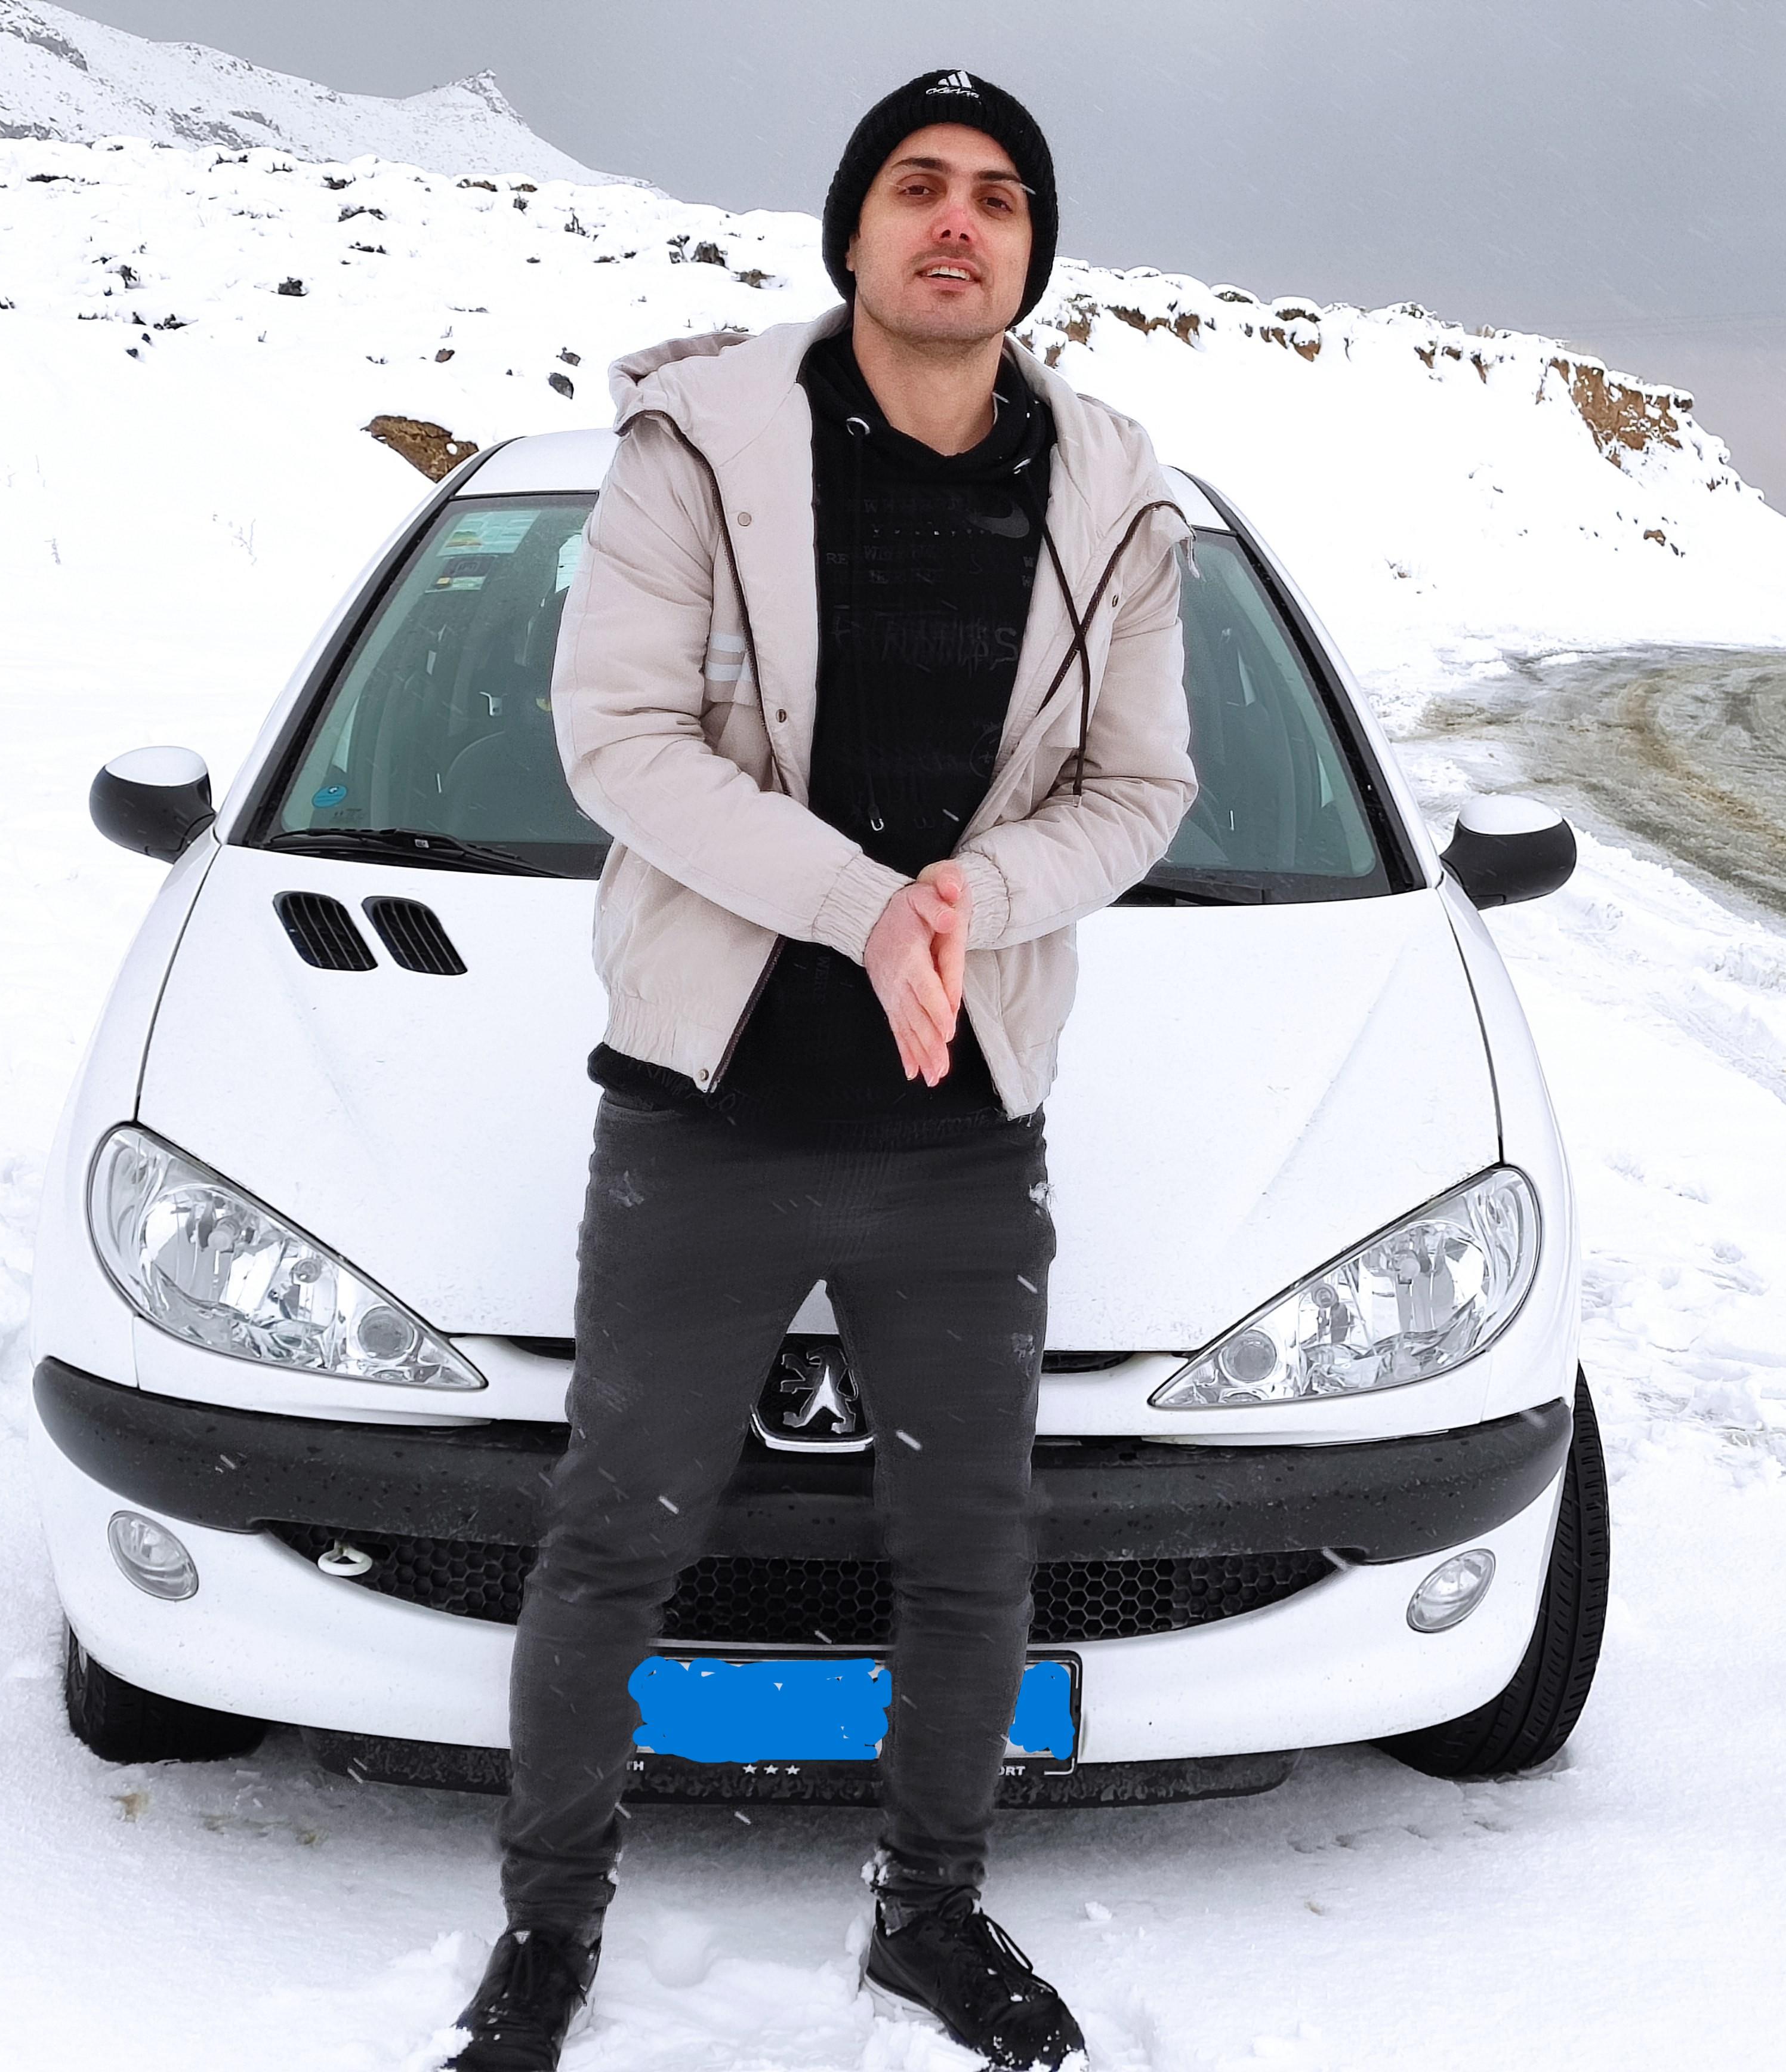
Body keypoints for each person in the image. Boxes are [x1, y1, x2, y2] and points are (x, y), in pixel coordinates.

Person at [436, 67, 1196, 2072]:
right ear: (851, 229)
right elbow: (619, 739)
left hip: (961, 1128)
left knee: (972, 1551)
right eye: (918, 187)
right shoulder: (699, 443)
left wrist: (969, 897)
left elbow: (1141, 790)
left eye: (1000, 197)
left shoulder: (1118, 491)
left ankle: (928, 1917)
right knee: (618, 1535)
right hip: (708, 1107)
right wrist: (867, 910)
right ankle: (548, 1929)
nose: (959, 222)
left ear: (1034, 251)